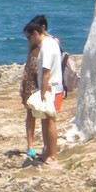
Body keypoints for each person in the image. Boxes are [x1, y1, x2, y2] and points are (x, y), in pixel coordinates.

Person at [24, 19, 63, 164]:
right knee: (46, 121)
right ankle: (47, 152)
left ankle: (52, 155)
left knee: (50, 121)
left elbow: (46, 72)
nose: (29, 41)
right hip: (53, 87)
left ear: (35, 33)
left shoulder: (46, 47)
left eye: (29, 38)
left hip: (50, 89)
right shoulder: (52, 42)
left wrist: (42, 94)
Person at [20, 14, 48, 159]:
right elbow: (28, 60)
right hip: (31, 79)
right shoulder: (33, 43)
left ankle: (46, 145)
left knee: (44, 114)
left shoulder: (48, 43)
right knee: (30, 113)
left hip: (41, 80)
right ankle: (30, 146)